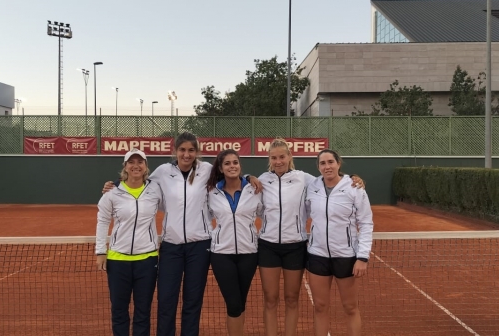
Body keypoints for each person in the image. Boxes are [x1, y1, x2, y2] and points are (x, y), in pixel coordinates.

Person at [101, 132, 262, 336]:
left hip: (200, 247)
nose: (186, 154)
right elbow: (138, 178)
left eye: (191, 150)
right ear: (175, 151)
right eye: (182, 150)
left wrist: (249, 177)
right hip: (171, 246)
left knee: (192, 301)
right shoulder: (162, 172)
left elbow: (232, 174)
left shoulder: (207, 170)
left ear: (197, 152)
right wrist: (115, 184)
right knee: (167, 299)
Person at [257, 138, 365, 336]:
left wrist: (353, 178)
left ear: (290, 156)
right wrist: (247, 176)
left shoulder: (305, 179)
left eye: (282, 156)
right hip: (268, 246)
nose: (278, 161)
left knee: (292, 298)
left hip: (296, 246)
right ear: (269, 159)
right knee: (270, 299)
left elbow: (331, 179)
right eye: (274, 158)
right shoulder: (262, 180)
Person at [95, 148, 165, 336]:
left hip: (147, 260)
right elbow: (102, 221)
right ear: (125, 167)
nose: (136, 166)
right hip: (118, 261)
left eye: (140, 162)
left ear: (145, 166)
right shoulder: (112, 193)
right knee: (119, 310)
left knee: (143, 311)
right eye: (131, 162)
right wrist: (100, 251)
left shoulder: (155, 189)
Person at [304, 149, 373, 336]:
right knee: (320, 306)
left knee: (350, 307)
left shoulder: (354, 188)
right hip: (317, 255)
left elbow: (366, 223)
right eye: (322, 163)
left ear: (338, 163)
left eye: (330, 162)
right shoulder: (312, 185)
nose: (327, 167)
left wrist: (363, 257)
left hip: (346, 256)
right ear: (318, 167)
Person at [206, 149, 263, 336]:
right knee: (233, 303)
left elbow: (265, 212)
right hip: (222, 254)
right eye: (227, 163)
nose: (232, 166)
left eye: (235, 162)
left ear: (240, 165)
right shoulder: (211, 192)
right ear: (221, 168)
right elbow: (204, 218)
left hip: (249, 253)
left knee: (241, 301)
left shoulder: (254, 189)